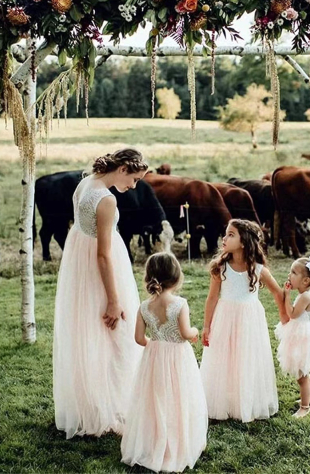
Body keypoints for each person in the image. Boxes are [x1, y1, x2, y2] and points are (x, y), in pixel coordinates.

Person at [53, 148, 149, 438]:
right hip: (101, 272)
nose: (133, 187)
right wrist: (113, 299)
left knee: (89, 335)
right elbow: (104, 255)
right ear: (121, 170)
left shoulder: (86, 183)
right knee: (115, 337)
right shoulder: (106, 200)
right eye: (133, 180)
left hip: (79, 266)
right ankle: (109, 408)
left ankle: (91, 406)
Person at [121, 252, 208, 472]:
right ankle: (176, 442)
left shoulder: (143, 307)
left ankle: (154, 440)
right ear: (176, 277)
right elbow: (186, 332)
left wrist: (156, 343)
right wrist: (196, 331)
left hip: (154, 357)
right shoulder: (180, 304)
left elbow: (139, 339)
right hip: (178, 358)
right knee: (179, 396)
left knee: (155, 398)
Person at [200, 219, 286, 422]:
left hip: (249, 319)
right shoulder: (220, 267)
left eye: (231, 234)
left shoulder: (257, 269)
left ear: (244, 242)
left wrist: (285, 314)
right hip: (225, 317)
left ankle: (244, 401)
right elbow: (212, 297)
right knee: (224, 356)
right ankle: (223, 401)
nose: (224, 238)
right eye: (226, 233)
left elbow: (277, 292)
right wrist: (206, 326)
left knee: (246, 357)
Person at [275, 255, 310, 418]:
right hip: (303, 333)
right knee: (304, 369)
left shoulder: (305, 296)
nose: (289, 275)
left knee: (302, 375)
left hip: (304, 337)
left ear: (305, 281)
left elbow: (292, 314)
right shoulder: (305, 294)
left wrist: (286, 295)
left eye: (293, 272)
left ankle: (305, 406)